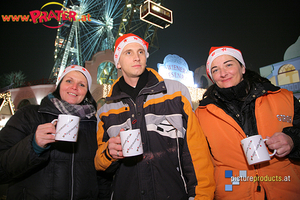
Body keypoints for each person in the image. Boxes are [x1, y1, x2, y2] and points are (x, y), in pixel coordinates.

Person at [94, 33, 215, 200]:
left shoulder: (176, 92)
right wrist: (109, 153)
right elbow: (100, 166)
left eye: (141, 52)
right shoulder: (105, 110)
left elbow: (196, 152)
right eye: (128, 52)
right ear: (118, 63)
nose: (136, 57)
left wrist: (202, 196)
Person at [195, 46, 300, 199]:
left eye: (228, 64)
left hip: (286, 189)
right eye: (215, 70)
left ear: (242, 68)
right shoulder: (202, 113)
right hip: (234, 191)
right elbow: (200, 159)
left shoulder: (284, 97)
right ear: (212, 77)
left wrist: (292, 140)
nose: (223, 73)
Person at [0, 65, 112, 199]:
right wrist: (33, 145)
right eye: (69, 81)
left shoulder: (94, 124)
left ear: (86, 92)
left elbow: (100, 176)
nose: (74, 87)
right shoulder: (29, 115)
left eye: (81, 84)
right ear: (59, 84)